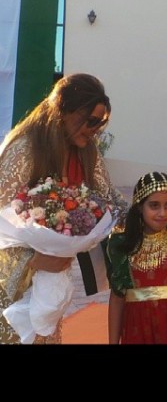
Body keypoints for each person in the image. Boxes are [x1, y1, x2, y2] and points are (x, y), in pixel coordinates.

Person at [0, 73, 128, 344]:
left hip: (52, 275)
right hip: (10, 281)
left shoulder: (86, 151)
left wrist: (148, 216)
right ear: (65, 111)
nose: (95, 130)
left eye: (100, 123)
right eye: (91, 121)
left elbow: (109, 199)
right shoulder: (24, 149)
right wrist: (32, 260)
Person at [106, 171, 167, 344]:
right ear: (139, 207)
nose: (162, 213)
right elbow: (116, 300)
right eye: (154, 206)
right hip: (137, 332)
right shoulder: (123, 247)